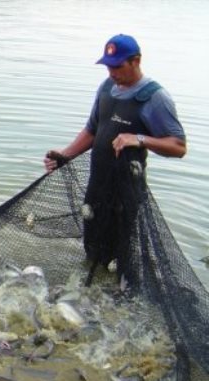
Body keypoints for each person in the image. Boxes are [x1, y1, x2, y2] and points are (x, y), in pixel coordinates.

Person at [43, 34, 187, 276]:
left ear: (136, 61)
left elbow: (178, 146)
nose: (112, 72)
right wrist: (65, 155)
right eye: (108, 66)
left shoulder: (154, 97)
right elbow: (92, 129)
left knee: (122, 257)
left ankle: (120, 295)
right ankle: (96, 292)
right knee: (92, 250)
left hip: (126, 192)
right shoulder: (107, 88)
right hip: (97, 186)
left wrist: (139, 138)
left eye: (117, 66)